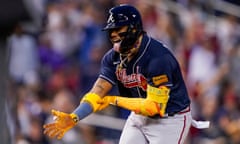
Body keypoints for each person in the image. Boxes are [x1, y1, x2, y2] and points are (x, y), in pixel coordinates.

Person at [43, 4, 208, 144]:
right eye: (111, 31)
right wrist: (74, 117)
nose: (114, 35)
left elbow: (154, 107)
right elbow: (96, 93)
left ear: (134, 29)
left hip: (170, 118)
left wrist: (112, 100)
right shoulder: (112, 58)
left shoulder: (158, 58)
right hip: (139, 115)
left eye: (119, 29)